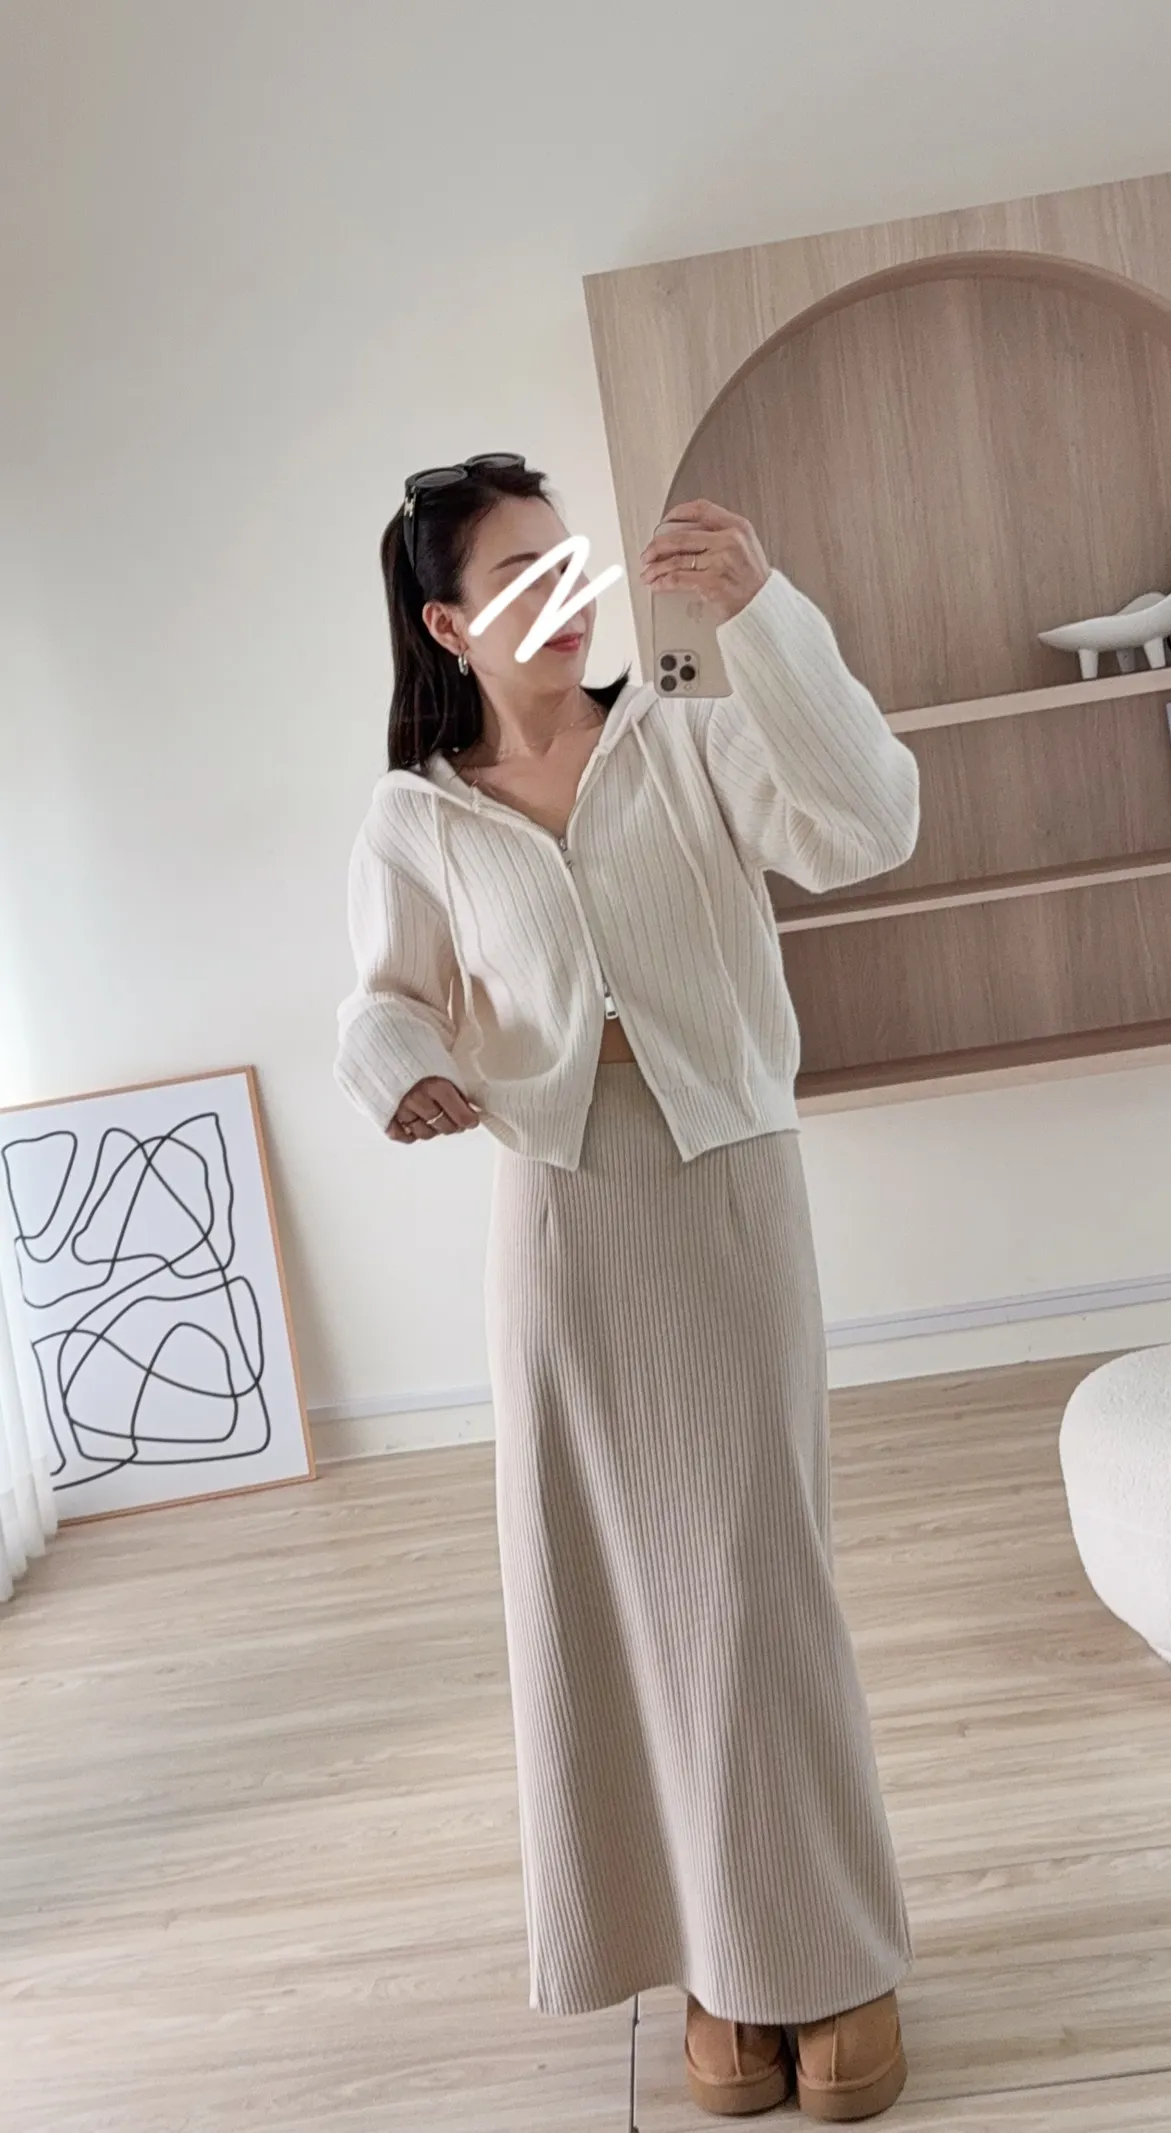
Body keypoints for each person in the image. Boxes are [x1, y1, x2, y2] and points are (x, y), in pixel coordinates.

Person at [334, 455, 921, 2121]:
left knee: (757, 1583)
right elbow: (380, 997)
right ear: (449, 626)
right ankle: (708, 1960)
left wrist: (765, 616)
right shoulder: (414, 815)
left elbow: (872, 825)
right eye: (515, 576)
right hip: (558, 1223)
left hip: (724, 1193)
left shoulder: (691, 740)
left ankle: (827, 1953)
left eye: (566, 558)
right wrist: (396, 1067)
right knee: (598, 1602)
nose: (561, 593)